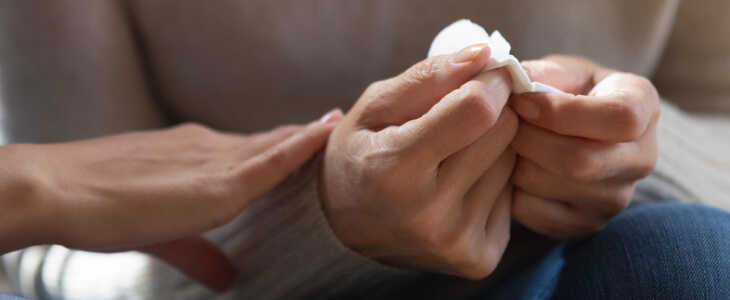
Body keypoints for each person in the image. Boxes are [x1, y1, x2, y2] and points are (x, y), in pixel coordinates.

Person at [0, 0, 729, 299]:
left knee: (682, 259)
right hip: (259, 288)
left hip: (585, 254)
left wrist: (622, 153)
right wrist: (322, 221)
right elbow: (64, 247)